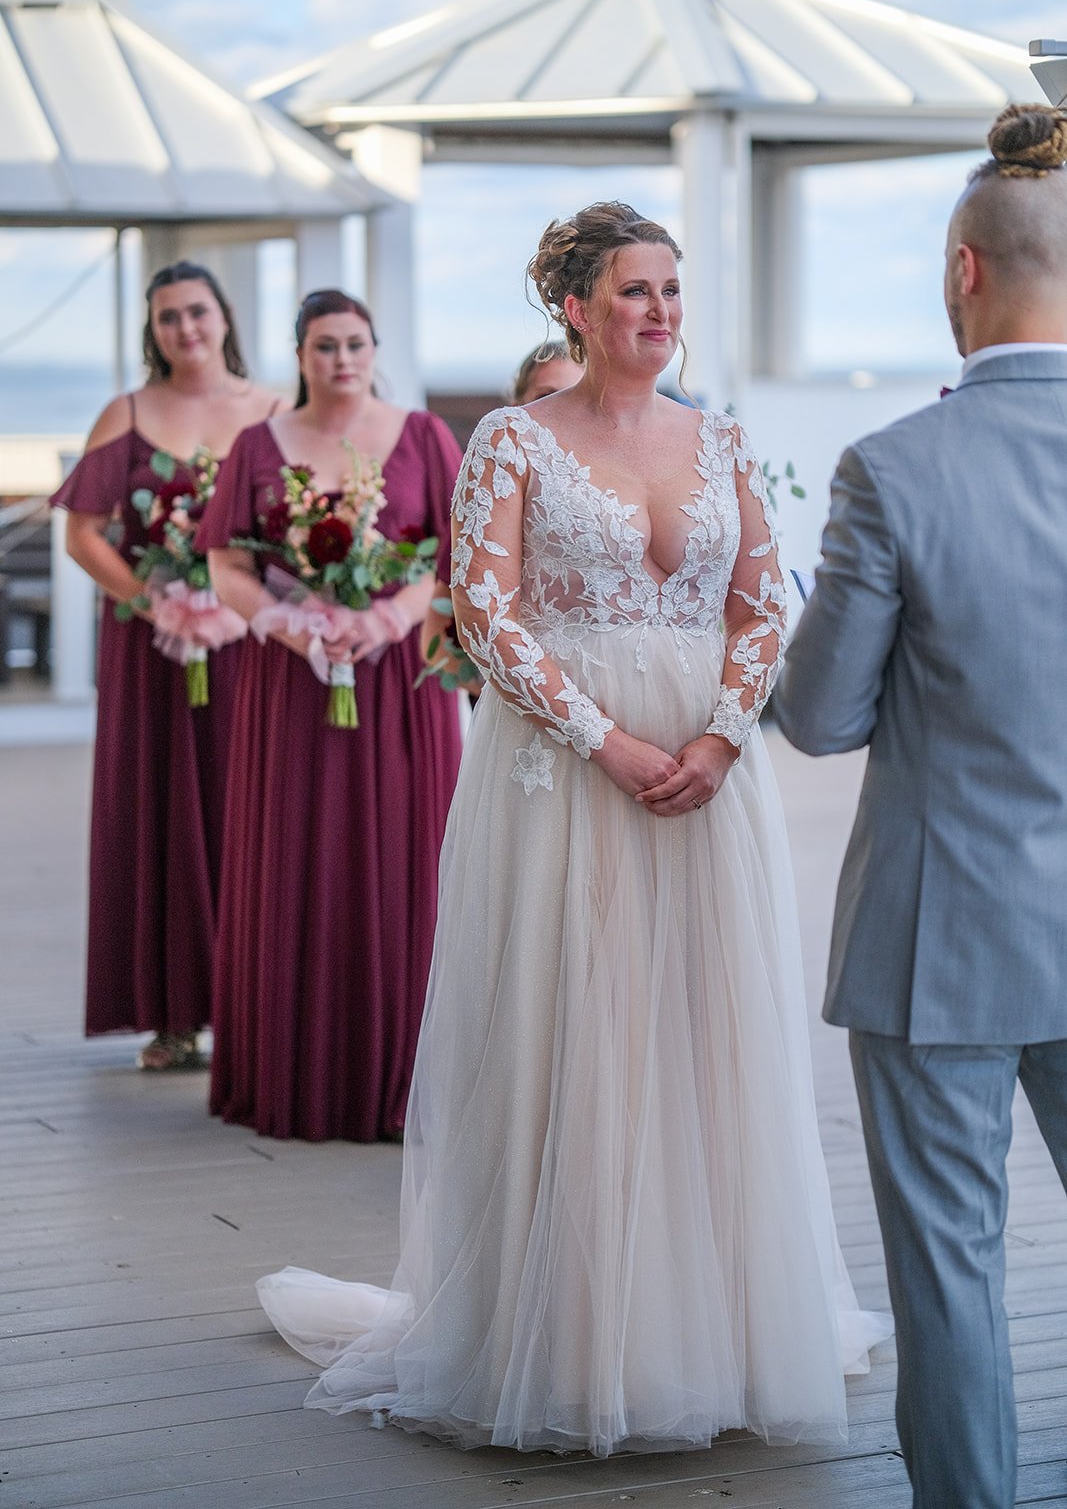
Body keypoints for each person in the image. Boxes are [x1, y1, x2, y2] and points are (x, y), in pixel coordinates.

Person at [256, 204, 890, 1451]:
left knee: (702, 1035)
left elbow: (766, 601)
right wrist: (608, 740)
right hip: (566, 770)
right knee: (578, 1029)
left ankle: (716, 1325)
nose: (658, 310)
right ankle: (566, 1331)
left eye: (670, 289)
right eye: (634, 291)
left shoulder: (720, 442)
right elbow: (487, 613)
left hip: (706, 775)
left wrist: (718, 734)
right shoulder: (511, 438)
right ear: (576, 309)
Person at [773, 103, 1067, 1509]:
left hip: (936, 931)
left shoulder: (891, 467)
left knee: (950, 1266)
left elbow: (820, 717)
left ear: (962, 270)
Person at [198, 289, 463, 1142]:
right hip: (291, 686)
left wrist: (385, 618)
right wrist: (284, 621)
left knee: (401, 861)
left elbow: (458, 559)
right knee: (294, 858)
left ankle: (402, 1081)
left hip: (398, 685)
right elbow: (226, 563)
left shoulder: (425, 438)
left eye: (354, 343)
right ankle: (292, 1071)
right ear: (299, 354)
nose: (341, 359)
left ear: (375, 347)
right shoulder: (256, 445)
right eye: (323, 346)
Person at [50, 261, 281, 1070]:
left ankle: (255, 1007)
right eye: (168, 318)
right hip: (152, 651)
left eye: (197, 312)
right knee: (161, 811)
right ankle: (173, 1014)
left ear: (225, 318)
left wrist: (239, 599)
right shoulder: (128, 413)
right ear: (153, 331)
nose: (185, 329)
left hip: (252, 647)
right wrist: (155, 602)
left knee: (254, 811)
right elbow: (82, 533)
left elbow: (299, 525)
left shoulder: (276, 411)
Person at [418, 340, 583, 682]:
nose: (562, 412)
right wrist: (500, 693)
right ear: (516, 407)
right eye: (546, 398)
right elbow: (433, 639)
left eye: (574, 396)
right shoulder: (487, 505)